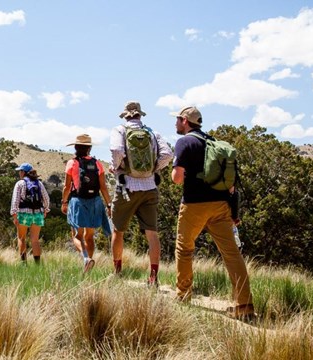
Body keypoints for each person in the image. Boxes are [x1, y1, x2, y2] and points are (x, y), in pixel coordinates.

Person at [170, 106, 255, 320]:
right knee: (231, 254)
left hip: (194, 205)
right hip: (220, 205)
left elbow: (177, 178)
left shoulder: (184, 142)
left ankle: (183, 296)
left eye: (177, 120)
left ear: (185, 121)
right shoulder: (212, 142)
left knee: (184, 248)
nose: (176, 124)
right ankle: (244, 304)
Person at [109, 101, 173, 286]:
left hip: (126, 186)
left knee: (118, 230)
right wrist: (154, 168)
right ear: (140, 115)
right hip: (150, 188)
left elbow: (116, 150)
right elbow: (167, 154)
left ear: (125, 115)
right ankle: (153, 277)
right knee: (152, 233)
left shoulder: (119, 131)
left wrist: (116, 166)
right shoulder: (153, 133)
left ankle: (118, 271)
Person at [61, 134, 112, 273]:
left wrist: (64, 202)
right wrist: (108, 205)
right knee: (89, 236)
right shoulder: (97, 163)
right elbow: (103, 187)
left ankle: (86, 259)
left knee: (77, 235)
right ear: (89, 148)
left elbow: (66, 187)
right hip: (95, 201)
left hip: (77, 201)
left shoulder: (72, 163)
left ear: (76, 147)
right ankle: (88, 265)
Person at [10, 162, 51, 264]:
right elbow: (46, 199)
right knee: (35, 240)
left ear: (24, 172)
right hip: (38, 214)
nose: (19, 173)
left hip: (23, 214)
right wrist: (45, 210)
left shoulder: (19, 183)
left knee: (21, 238)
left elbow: (15, 200)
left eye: (20, 171)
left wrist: (14, 215)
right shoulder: (39, 183)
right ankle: (37, 264)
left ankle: (24, 264)